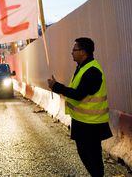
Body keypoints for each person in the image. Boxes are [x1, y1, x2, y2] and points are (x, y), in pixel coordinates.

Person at [47, 37, 112, 177]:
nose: (72, 53)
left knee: (92, 156)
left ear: (83, 52)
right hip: (82, 120)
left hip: (91, 123)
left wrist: (56, 87)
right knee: (86, 154)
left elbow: (79, 94)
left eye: (74, 50)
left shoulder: (92, 71)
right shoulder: (82, 67)